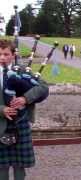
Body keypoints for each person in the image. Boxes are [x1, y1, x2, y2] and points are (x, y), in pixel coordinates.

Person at [0, 39, 49, 180]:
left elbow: (43, 88)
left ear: (13, 55)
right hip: (1, 124)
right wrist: (2, 109)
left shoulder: (22, 71)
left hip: (20, 124)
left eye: (5, 54)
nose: (2, 58)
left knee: (19, 166)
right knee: (2, 167)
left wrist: (25, 99)